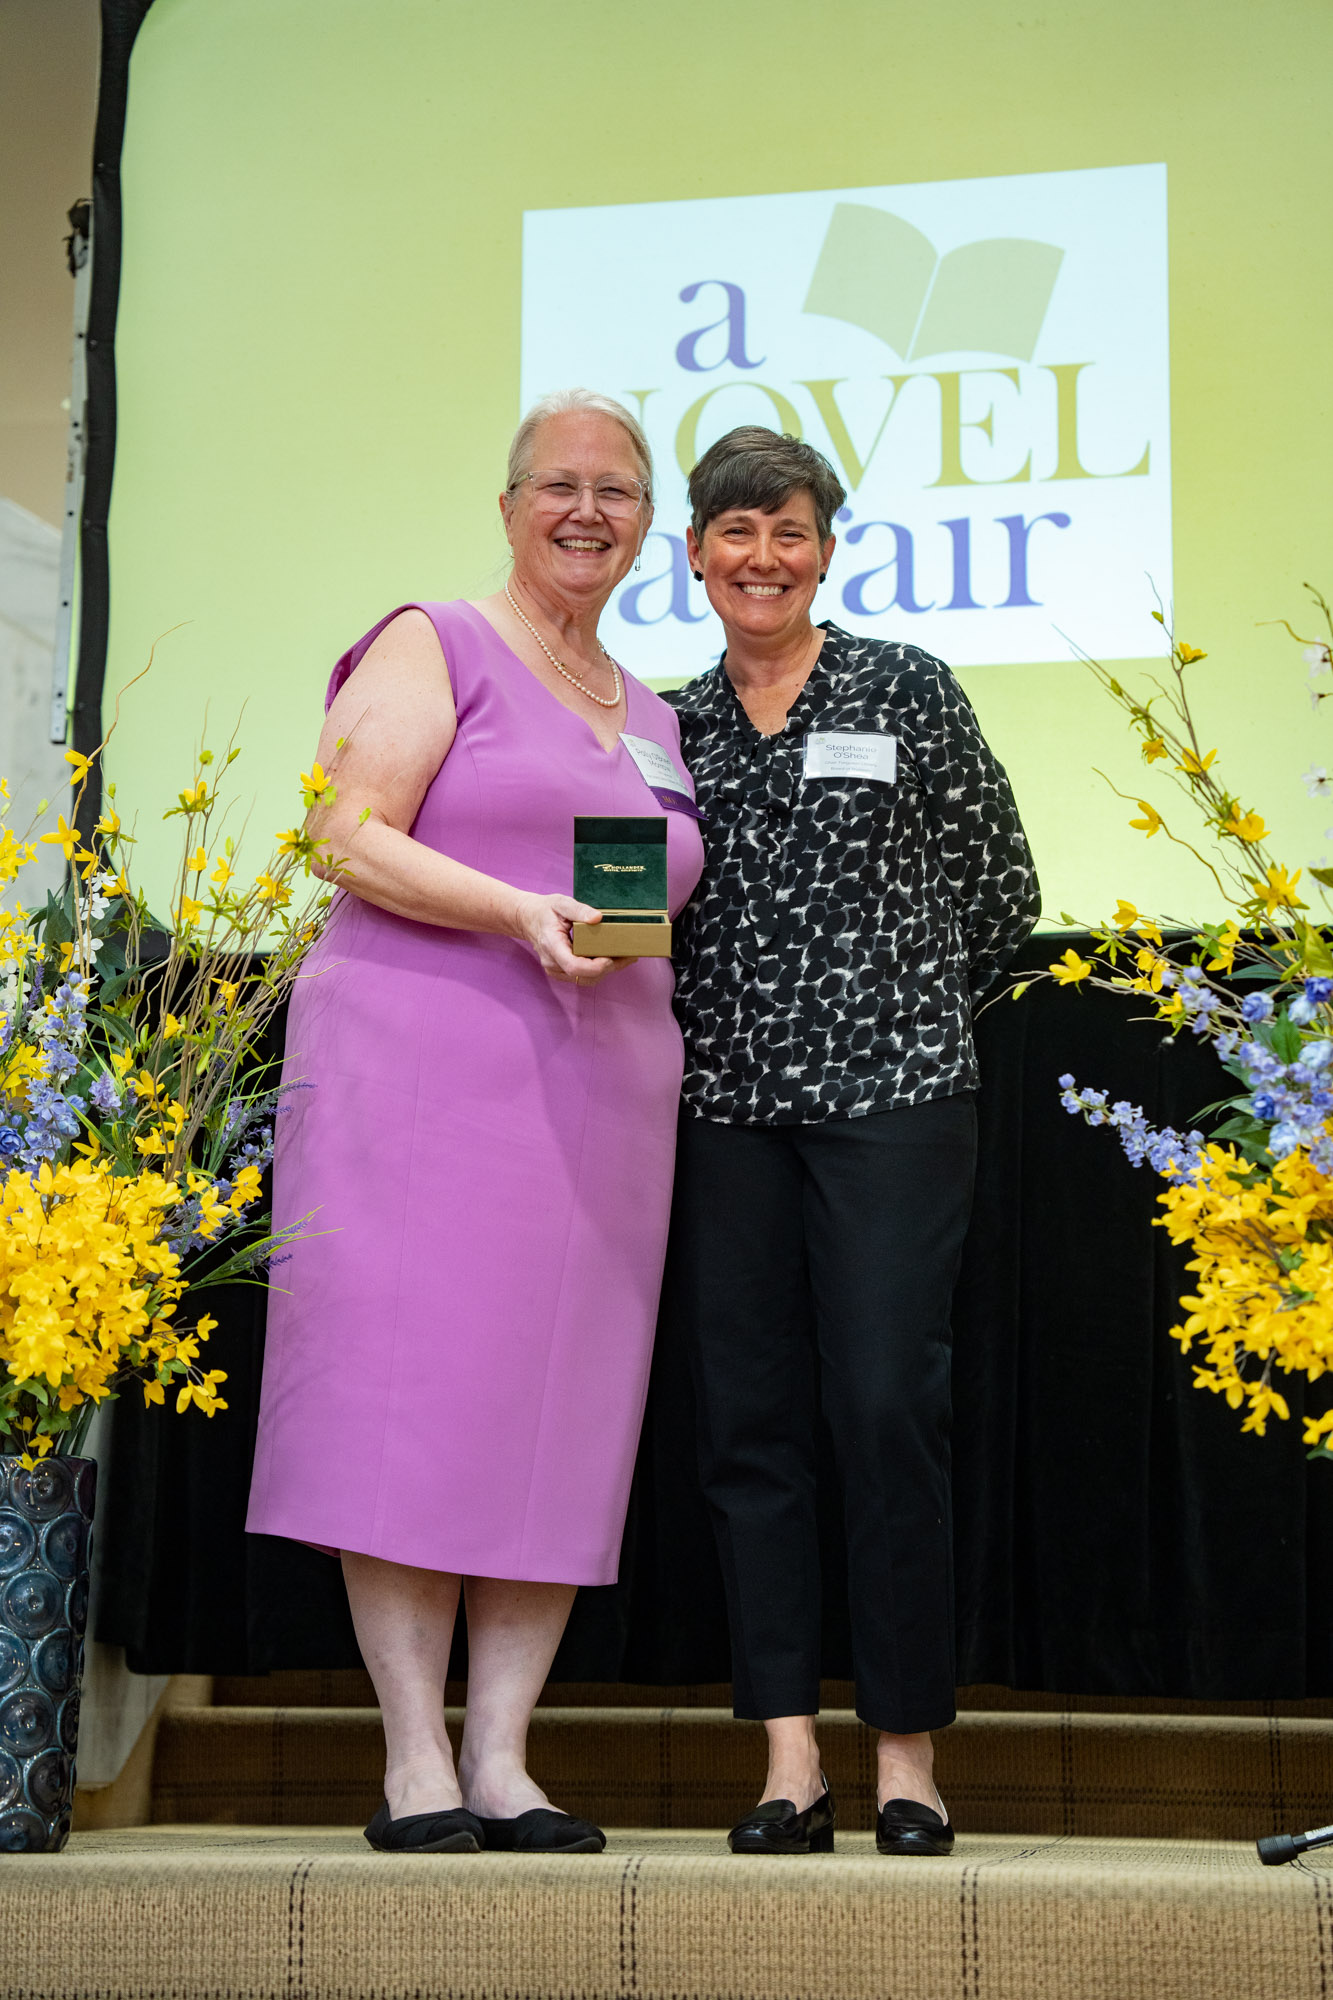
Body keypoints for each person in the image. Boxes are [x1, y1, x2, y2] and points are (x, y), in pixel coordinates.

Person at [246, 389, 704, 1855]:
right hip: (420, 1067)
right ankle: (413, 1759)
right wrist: (516, 910)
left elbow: (628, 909)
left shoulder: (647, 711)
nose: (588, 509)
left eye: (619, 490)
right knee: (407, 1393)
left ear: (649, 526)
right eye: (559, 483)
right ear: (508, 505)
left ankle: (504, 1759)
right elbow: (343, 830)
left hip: (598, 1092)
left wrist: (584, 935)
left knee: (552, 1414)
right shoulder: (435, 639)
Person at [660, 426, 1039, 1857]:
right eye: (736, 530)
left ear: (828, 548)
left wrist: (897, 1003)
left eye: (791, 530)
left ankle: (904, 1758)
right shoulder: (661, 727)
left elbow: (1001, 889)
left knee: (884, 1407)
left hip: (894, 1101)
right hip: (723, 1113)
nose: (764, 555)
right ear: (693, 552)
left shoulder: (903, 687)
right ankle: (785, 1760)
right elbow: (632, 923)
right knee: (747, 1429)